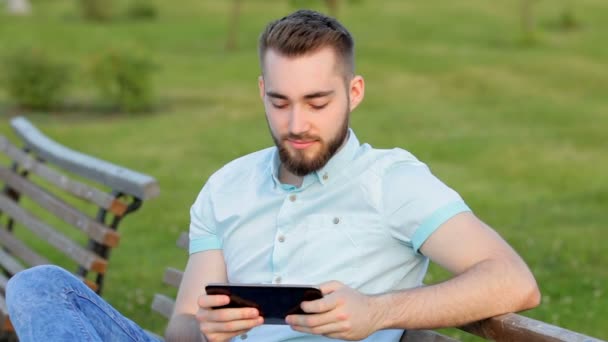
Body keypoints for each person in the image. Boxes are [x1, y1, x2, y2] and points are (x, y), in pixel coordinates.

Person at [6, 9, 540, 342]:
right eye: (280, 102)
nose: (296, 124)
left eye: (316, 102)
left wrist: (377, 312)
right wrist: (206, 327)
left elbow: (513, 281)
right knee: (39, 287)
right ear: (261, 92)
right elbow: (181, 330)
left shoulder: (392, 181)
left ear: (354, 93)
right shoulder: (227, 186)